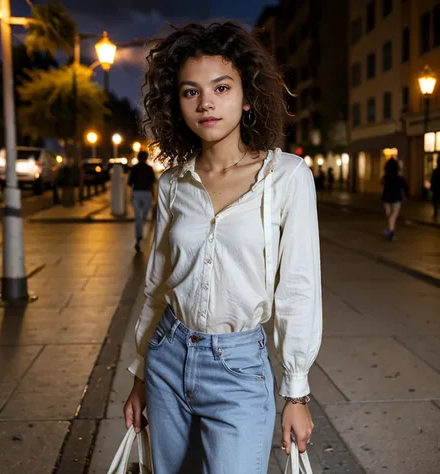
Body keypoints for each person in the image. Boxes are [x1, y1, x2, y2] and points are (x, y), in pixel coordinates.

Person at [123, 21, 322, 474]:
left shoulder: (287, 178)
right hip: (168, 358)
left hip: (237, 370)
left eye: (221, 87)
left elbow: (299, 288)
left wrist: (295, 392)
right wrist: (139, 378)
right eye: (190, 91)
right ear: (177, 103)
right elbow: (158, 284)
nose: (206, 102)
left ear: (247, 96)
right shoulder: (174, 182)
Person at [128, 150, 156, 252]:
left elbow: (130, 183)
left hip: (136, 193)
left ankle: (138, 235)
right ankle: (139, 235)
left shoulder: (134, 168)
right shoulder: (149, 169)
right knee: (143, 215)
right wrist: (153, 197)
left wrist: (130, 196)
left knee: (138, 217)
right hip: (146, 193)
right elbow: (152, 183)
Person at [381, 157, 410, 240]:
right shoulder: (398, 176)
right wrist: (407, 195)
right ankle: (391, 231)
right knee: (393, 215)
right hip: (396, 197)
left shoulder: (386, 176)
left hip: (386, 198)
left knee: (389, 214)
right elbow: (405, 186)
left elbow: (381, 183)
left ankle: (390, 230)